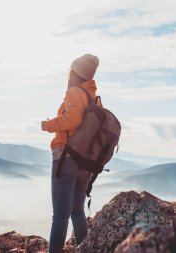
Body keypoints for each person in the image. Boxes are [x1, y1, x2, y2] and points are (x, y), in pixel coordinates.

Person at [41, 54, 101, 253]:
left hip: (66, 159)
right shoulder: (93, 97)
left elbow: (72, 120)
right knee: (77, 211)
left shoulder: (75, 92)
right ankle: (85, 249)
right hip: (86, 163)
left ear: (75, 73)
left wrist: (48, 125)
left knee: (59, 216)